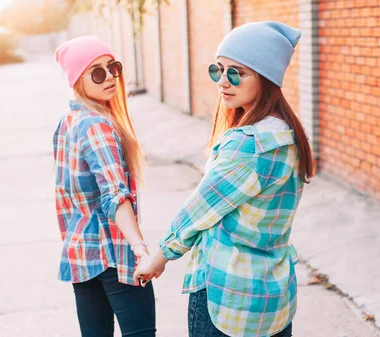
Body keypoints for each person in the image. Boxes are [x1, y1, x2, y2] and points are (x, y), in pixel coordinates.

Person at [134, 21, 314, 337]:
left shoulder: (249, 143)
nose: (223, 82)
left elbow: (199, 211)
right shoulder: (288, 135)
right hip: (273, 298)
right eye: (218, 70)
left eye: (237, 73)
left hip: (229, 299)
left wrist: (159, 258)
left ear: (267, 77)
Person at [53, 36, 156, 337]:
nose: (109, 77)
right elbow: (114, 195)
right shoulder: (97, 125)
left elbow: (63, 200)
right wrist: (140, 249)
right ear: (77, 79)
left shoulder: (67, 121)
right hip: (115, 256)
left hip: (81, 255)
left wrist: (72, 240)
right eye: (97, 72)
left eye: (113, 67)